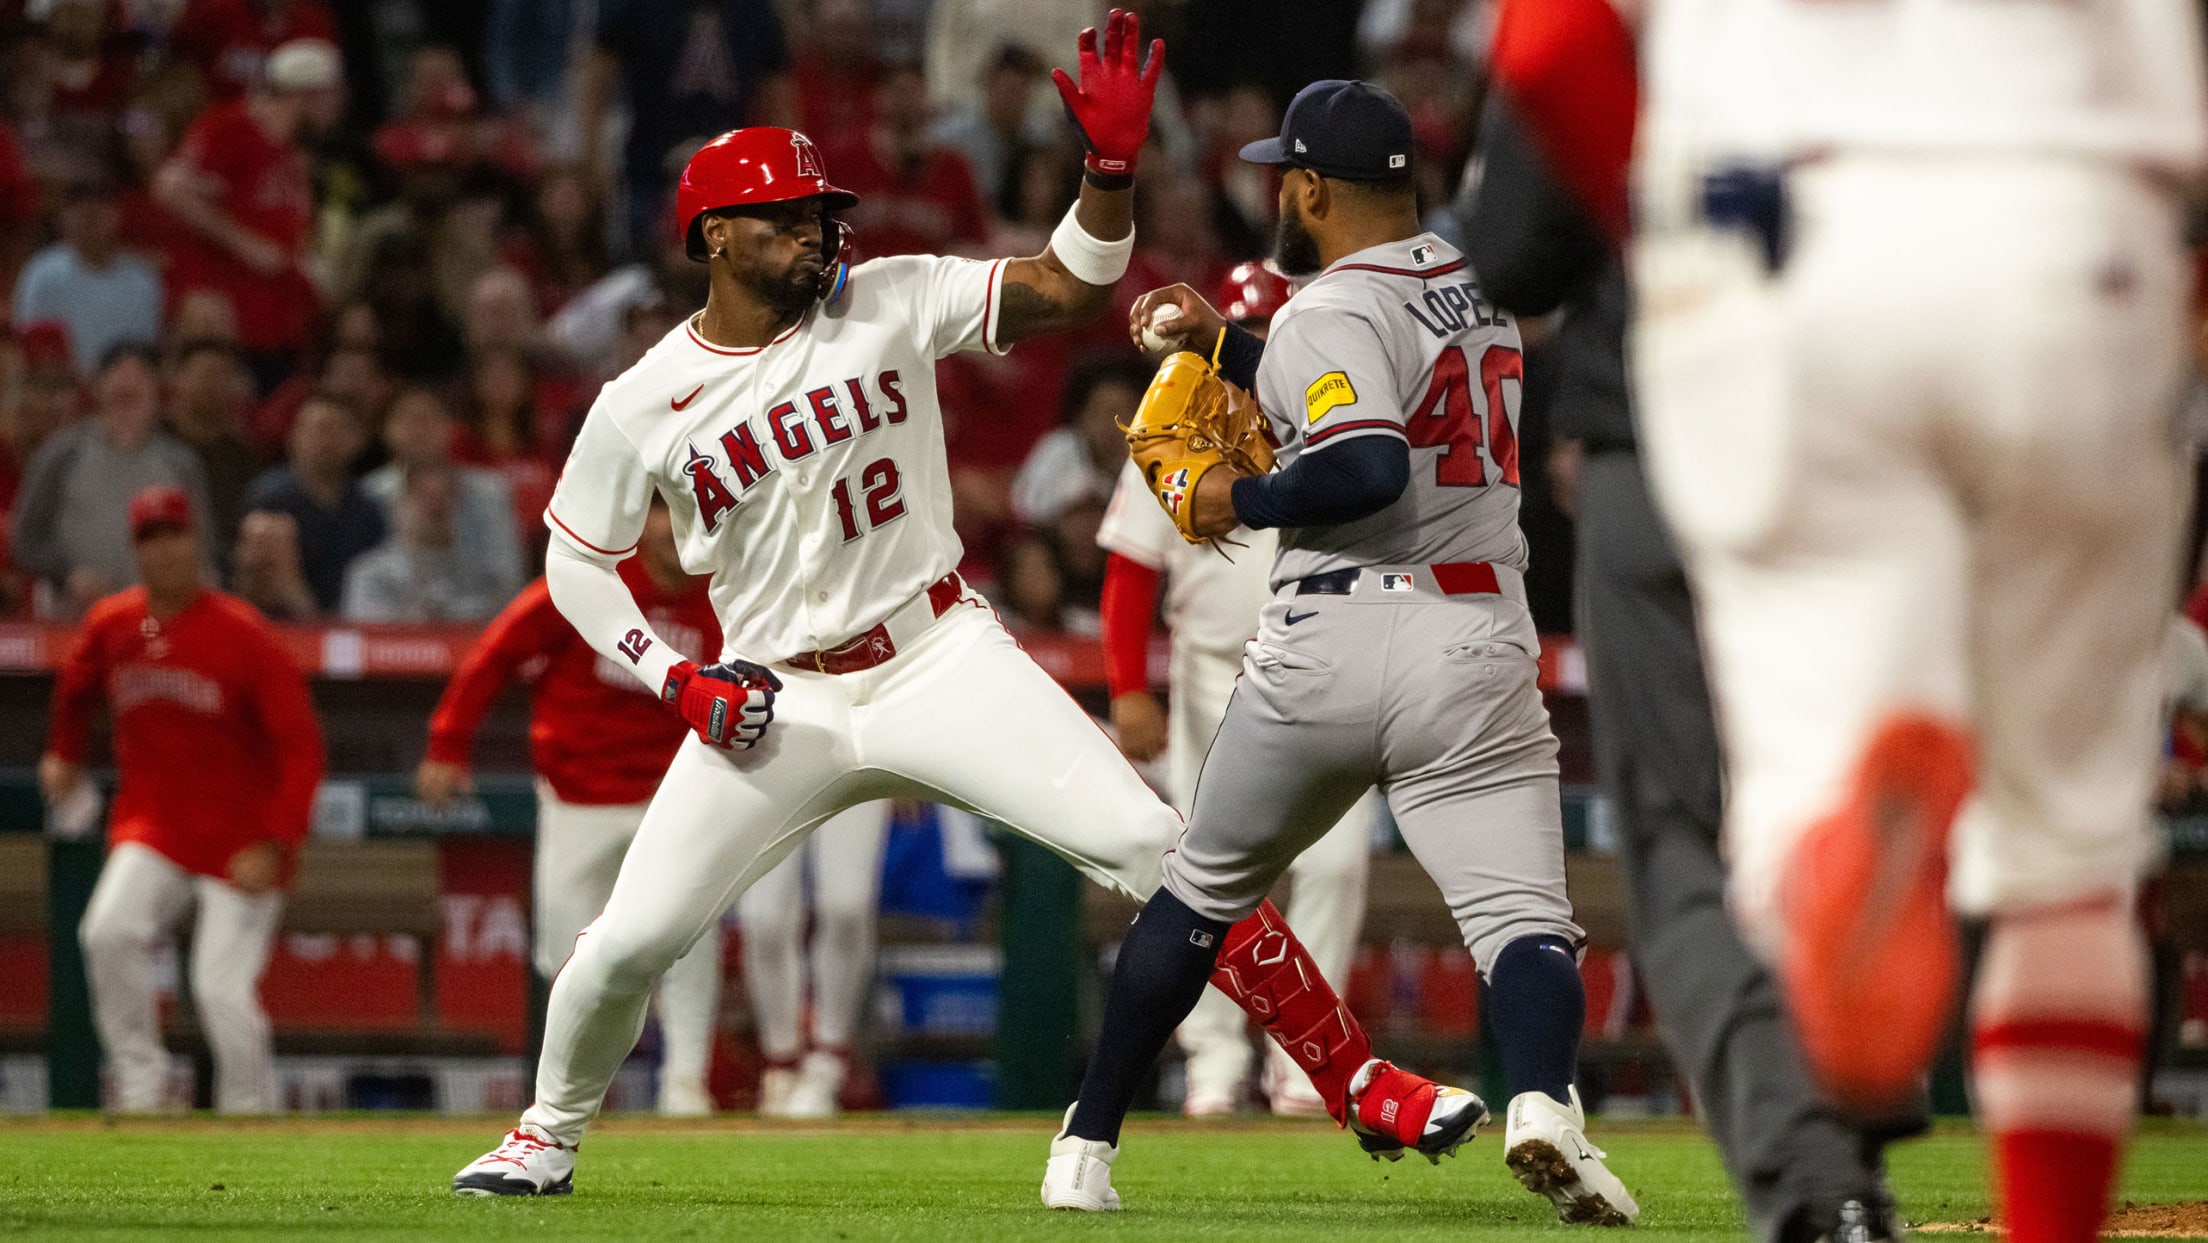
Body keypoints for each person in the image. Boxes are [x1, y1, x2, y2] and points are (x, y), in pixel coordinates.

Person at [451, 13, 1464, 1197]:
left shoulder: (885, 295)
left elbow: (1071, 282)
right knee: (627, 943)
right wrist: (672, 673)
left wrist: (1108, 176)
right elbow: (576, 560)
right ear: (715, 236)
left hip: (935, 652)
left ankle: (1355, 1082)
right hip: (777, 697)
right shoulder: (641, 399)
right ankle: (547, 1130)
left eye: (823, 214)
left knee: (1159, 846)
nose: (819, 234)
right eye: (788, 219)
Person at [1628, 1, 2208, 1239]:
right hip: (2078, 214)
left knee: (1803, 773)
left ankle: (1829, 865)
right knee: (2069, 862)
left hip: (1781, 231)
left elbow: (1546, 52)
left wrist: (1666, 250)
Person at [1047, 80, 1635, 1225]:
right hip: (1469, 638)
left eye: (1285, 173)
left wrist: (1241, 490)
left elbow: (1364, 456)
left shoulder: (1327, 306)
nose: (1277, 188)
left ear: (1311, 186)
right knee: (1521, 920)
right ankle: (1547, 1108)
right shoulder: (1479, 289)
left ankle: (1085, 1145)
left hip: (1325, 634)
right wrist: (1220, 339)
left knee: (1198, 897)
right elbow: (1372, 376)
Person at [1461, 6, 1916, 1239]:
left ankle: (1819, 1184)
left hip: (1672, 428)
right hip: (1886, 422)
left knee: (1683, 834)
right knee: (1865, 790)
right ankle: (1863, 1089)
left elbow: (1510, 251)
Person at [1096, 260, 1373, 1118]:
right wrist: (1126, 687)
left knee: (1333, 865)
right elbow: (1131, 571)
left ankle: (1304, 1066)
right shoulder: (1173, 421)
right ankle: (1214, 1063)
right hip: (1213, 677)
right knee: (1212, 879)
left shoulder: (1339, 425)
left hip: (1332, 664)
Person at [418, 499, 728, 1115]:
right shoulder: (594, 585)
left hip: (672, 797)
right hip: (578, 793)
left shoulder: (729, 600)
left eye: (688, 514)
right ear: (641, 524)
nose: (675, 528)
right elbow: (493, 654)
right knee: (562, 952)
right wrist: (448, 744)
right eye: (663, 513)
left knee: (692, 934)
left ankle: (686, 1084)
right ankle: (580, 1095)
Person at [43, 485, 324, 1113]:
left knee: (219, 990)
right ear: (136, 551)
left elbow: (302, 749)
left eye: (174, 535)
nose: (165, 550)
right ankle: (141, 1085)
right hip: (157, 827)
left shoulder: (243, 634)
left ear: (197, 542)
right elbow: (75, 688)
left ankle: (250, 1116)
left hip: (241, 837)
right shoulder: (116, 623)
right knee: (106, 932)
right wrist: (63, 751)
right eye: (150, 539)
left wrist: (277, 842)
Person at [154, 37, 343, 385]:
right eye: (330, 95)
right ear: (303, 96)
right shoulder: (232, 127)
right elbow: (170, 188)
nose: (337, 106)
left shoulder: (296, 150)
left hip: (280, 322)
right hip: (227, 323)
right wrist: (244, 243)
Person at [12, 345, 214, 620]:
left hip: (155, 622)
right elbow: (27, 536)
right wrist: (67, 574)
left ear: (156, 393)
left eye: (140, 378)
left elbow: (201, 547)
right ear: (99, 388)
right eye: (119, 377)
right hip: (73, 618)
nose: (129, 383)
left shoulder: (181, 465)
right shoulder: (61, 455)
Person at [738, 799, 892, 1118]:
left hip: (858, 757)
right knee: (762, 919)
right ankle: (780, 1064)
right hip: (770, 758)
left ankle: (828, 1062)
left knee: (847, 907)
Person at [359, 386, 525, 598]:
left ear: (449, 427)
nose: (417, 430)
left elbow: (509, 577)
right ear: (385, 431)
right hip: (394, 613)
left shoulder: (490, 492)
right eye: (405, 420)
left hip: (475, 614)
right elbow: (361, 575)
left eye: (426, 419)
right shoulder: (369, 494)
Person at [240, 391, 386, 616]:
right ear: (294, 436)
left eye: (337, 430)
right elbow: (253, 585)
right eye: (318, 429)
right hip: (286, 624)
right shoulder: (271, 498)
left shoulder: (367, 508)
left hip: (354, 620)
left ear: (356, 441)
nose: (326, 440)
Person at [10, 178, 163, 376]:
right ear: (62, 218)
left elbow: (148, 349)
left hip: (122, 385)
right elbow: (32, 344)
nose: (91, 220)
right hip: (61, 386)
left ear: (118, 215)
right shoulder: (42, 273)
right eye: (83, 212)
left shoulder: (142, 279)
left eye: (100, 211)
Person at [341, 464, 514, 623]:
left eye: (446, 494)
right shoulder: (370, 575)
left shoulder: (484, 579)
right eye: (423, 495)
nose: (435, 504)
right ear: (399, 505)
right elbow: (367, 637)